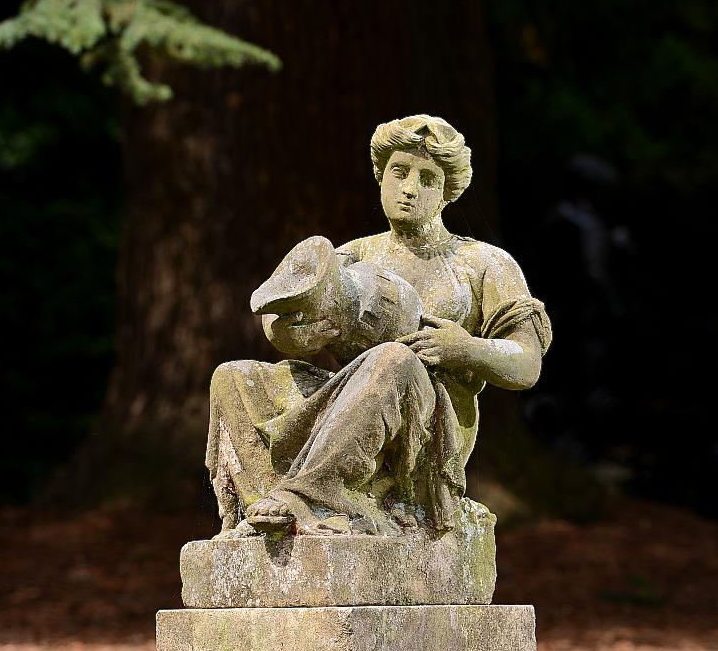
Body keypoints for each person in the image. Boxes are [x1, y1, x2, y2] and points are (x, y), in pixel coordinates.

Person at [207, 114, 551, 536]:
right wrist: (294, 323)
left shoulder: (483, 263)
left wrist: (465, 349)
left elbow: (527, 364)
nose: (409, 188)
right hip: (348, 406)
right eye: (399, 172)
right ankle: (268, 506)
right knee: (235, 377)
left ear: (446, 193)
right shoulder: (352, 257)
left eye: (427, 178)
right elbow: (289, 335)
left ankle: (309, 494)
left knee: (394, 358)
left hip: (425, 432)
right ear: (381, 176)